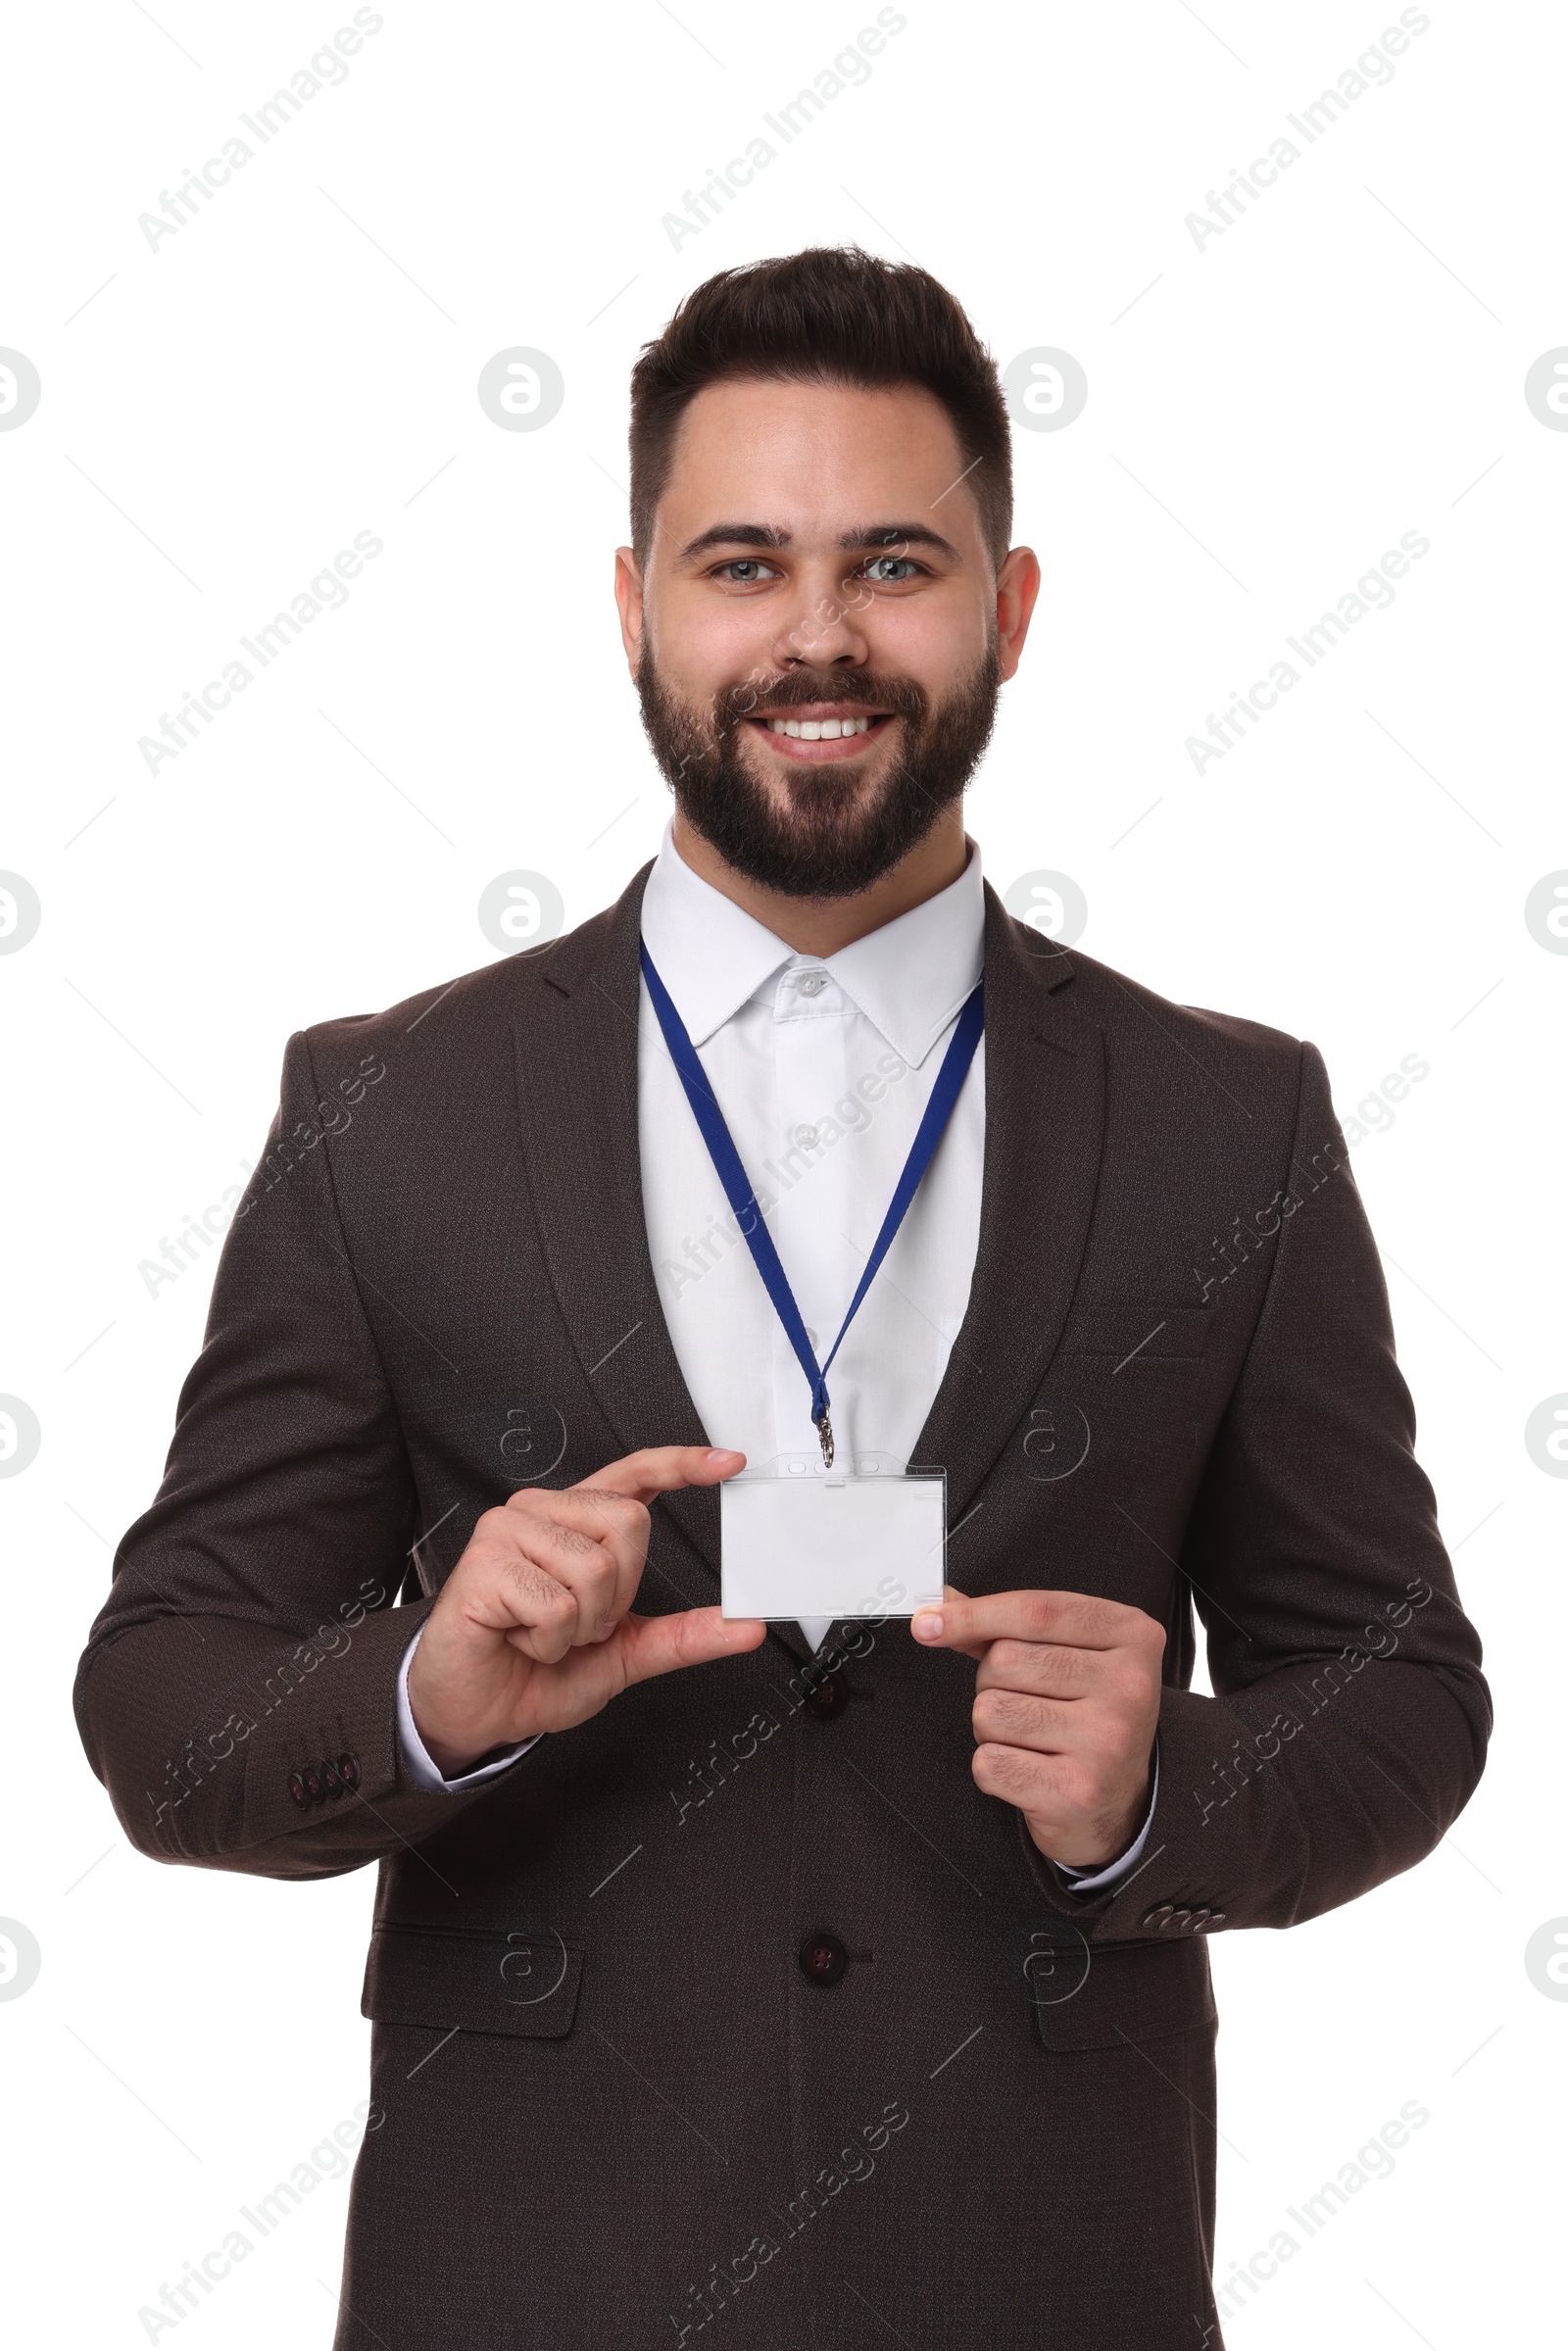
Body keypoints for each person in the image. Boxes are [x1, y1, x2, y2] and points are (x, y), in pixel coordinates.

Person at [74, 247, 1490, 2350]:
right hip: (529, 2281)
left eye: (891, 562)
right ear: (632, 603)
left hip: (1043, 2272)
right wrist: (424, 1694)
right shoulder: (384, 1113)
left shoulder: (1227, 1122)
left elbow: (1398, 1692)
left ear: (1006, 608)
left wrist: (1153, 1797)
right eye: (739, 561)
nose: (814, 634)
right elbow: (164, 1696)